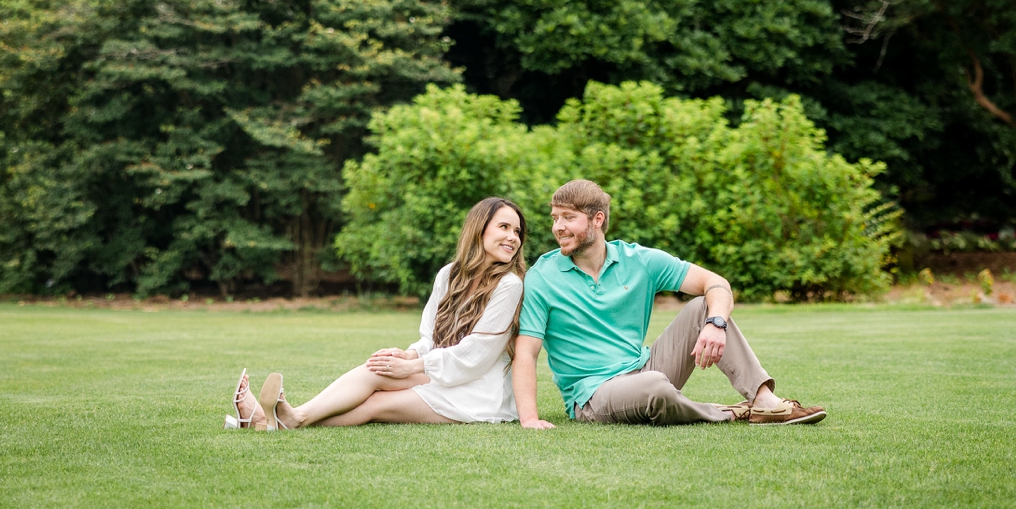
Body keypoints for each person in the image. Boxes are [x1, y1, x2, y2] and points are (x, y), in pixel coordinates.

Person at [513, 179, 826, 428]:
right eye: (555, 218)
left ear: (597, 219)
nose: (558, 227)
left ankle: (763, 401)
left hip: (645, 367)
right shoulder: (543, 276)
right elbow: (526, 351)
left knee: (703, 307)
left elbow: (716, 284)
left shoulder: (638, 260)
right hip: (593, 394)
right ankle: (728, 413)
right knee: (656, 387)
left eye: (568, 218)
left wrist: (716, 323)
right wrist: (529, 419)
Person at [226, 197, 526, 430]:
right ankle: (286, 418)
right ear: (479, 229)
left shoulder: (509, 285)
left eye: (517, 231)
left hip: (477, 391)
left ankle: (279, 419)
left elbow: (476, 355)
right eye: (504, 227)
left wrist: (414, 367)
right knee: (377, 368)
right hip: (442, 372)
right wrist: (408, 355)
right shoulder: (449, 275)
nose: (513, 237)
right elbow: (430, 336)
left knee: (377, 404)